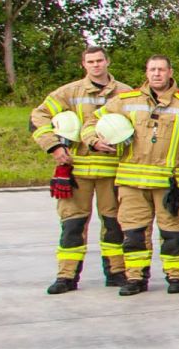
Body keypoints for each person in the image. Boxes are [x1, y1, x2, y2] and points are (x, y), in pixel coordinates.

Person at [92, 56, 179, 295]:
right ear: (146, 72)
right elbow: (93, 122)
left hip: (169, 184)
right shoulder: (125, 101)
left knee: (173, 232)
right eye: (152, 69)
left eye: (161, 70)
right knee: (133, 234)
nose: (156, 74)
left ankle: (176, 277)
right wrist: (94, 140)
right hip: (132, 183)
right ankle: (135, 278)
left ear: (170, 72)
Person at [30, 46, 132, 292]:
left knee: (114, 224)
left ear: (108, 62)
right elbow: (38, 117)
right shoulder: (69, 92)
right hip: (76, 171)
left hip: (112, 171)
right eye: (90, 61)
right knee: (73, 225)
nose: (96, 65)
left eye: (99, 60)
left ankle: (117, 272)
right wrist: (54, 146)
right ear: (83, 65)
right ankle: (66, 276)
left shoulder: (127, 93)